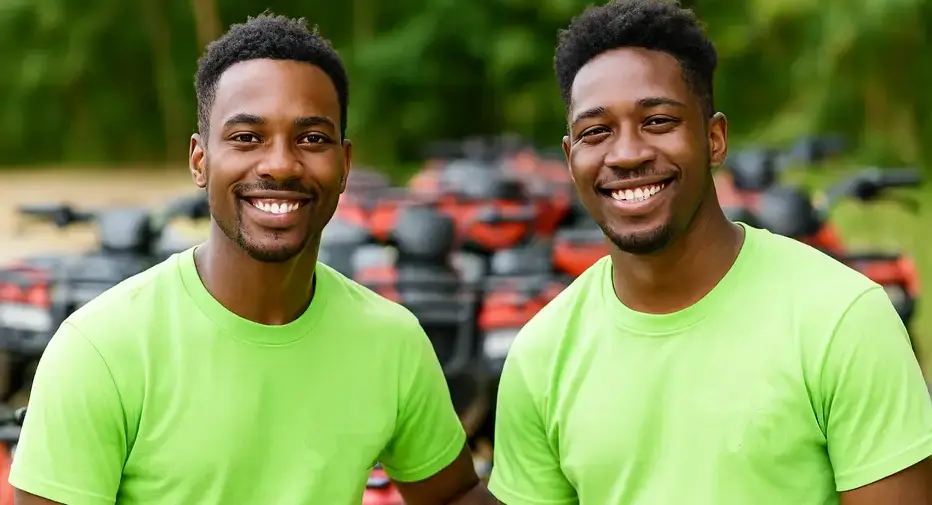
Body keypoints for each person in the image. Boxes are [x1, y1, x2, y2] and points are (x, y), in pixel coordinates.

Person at [10, 14, 495, 505]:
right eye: (247, 137)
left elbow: (453, 497)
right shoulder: (100, 349)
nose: (281, 163)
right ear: (201, 161)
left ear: (345, 165)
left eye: (311, 139)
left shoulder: (393, 342)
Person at [488, 1, 932, 504]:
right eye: (596, 132)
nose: (628, 153)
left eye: (657, 121)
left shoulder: (841, 320)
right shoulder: (540, 356)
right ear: (571, 159)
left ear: (714, 138)